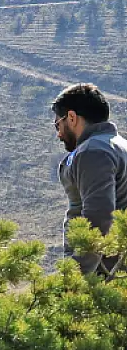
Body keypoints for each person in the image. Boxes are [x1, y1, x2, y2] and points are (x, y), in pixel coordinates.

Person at [54, 83, 125, 275]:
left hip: (106, 274)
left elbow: (98, 217)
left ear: (71, 117)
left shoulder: (92, 151)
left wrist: (75, 278)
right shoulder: (120, 146)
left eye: (57, 124)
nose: (59, 134)